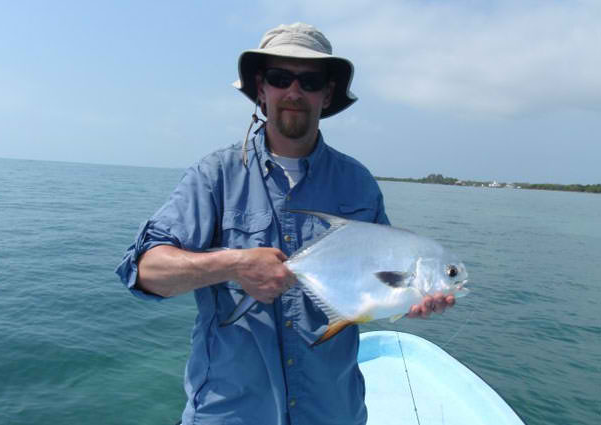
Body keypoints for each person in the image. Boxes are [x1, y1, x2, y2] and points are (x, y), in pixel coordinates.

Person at [116, 23, 454, 425]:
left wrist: (406, 301)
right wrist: (232, 265)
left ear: (326, 94)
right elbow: (144, 272)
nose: (294, 92)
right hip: (231, 414)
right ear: (261, 88)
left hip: (332, 413)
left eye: (309, 81)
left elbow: (372, 284)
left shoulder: (358, 184)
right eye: (280, 78)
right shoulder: (216, 176)